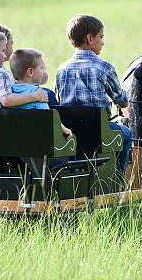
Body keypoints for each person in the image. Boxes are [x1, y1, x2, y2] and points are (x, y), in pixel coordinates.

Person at [56, 14, 132, 175]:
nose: (103, 42)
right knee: (126, 134)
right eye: (101, 37)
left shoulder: (62, 69)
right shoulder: (103, 67)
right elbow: (122, 100)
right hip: (99, 130)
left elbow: (59, 100)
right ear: (90, 38)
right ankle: (118, 178)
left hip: (70, 131)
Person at [9, 48, 72, 139]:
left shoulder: (10, 90)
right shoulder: (38, 94)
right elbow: (50, 118)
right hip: (34, 138)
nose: (44, 71)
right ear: (30, 72)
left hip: (15, 136)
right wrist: (65, 130)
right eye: (42, 68)